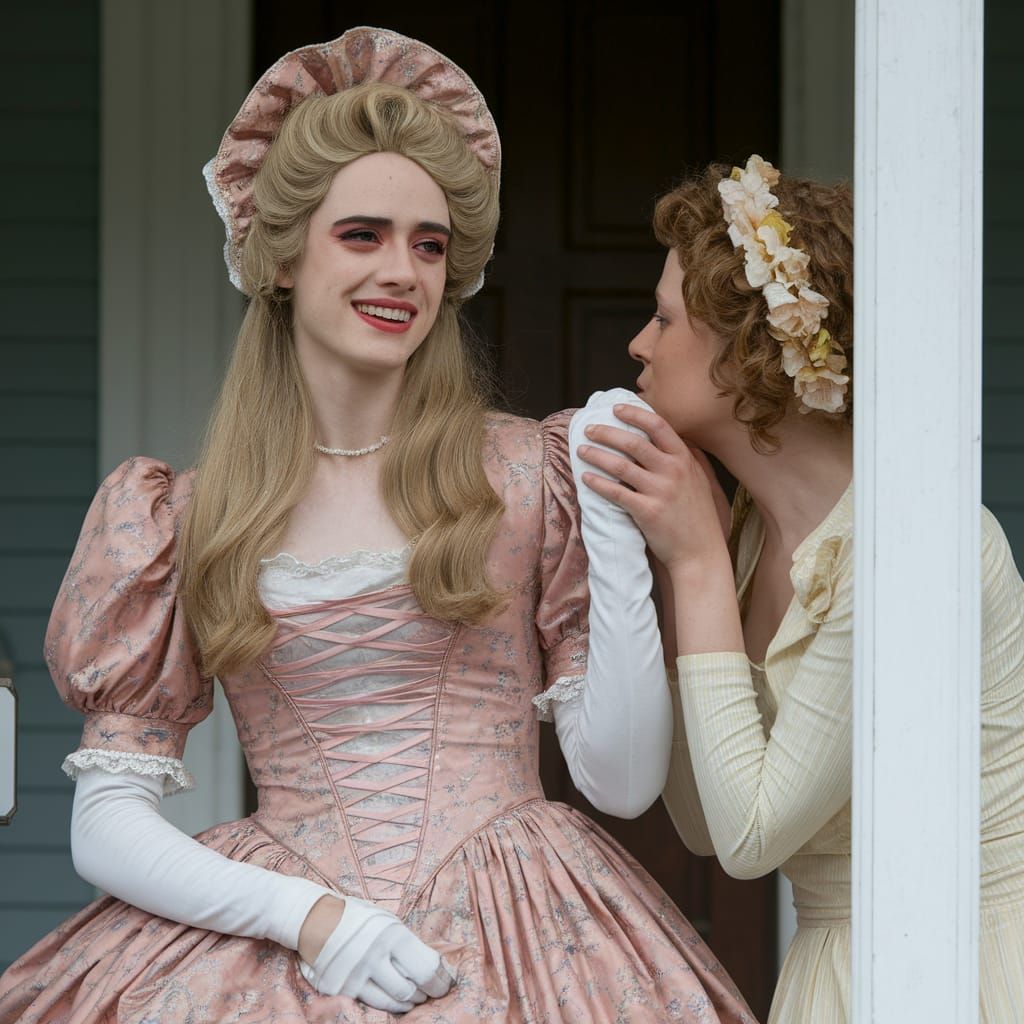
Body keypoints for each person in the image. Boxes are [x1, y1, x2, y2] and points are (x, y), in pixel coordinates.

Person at [0, 29, 757, 1024]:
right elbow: (105, 823)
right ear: (279, 259)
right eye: (362, 235)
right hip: (277, 948)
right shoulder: (181, 516)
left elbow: (617, 782)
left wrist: (609, 533)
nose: (402, 270)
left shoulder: (534, 472)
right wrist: (313, 919)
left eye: (428, 243)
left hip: (524, 933)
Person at [573, 155, 1024, 1024]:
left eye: (665, 319)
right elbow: (705, 820)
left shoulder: (918, 544)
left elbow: (747, 839)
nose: (639, 343)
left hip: (970, 961)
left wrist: (694, 562)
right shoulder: (741, 542)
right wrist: (687, 565)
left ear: (750, 352)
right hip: (835, 968)